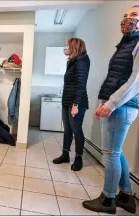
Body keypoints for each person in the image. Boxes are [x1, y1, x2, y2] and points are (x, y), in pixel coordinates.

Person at [82, 4, 139, 214]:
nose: (127, 18)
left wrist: (111, 104)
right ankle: (125, 196)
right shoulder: (126, 44)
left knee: (110, 154)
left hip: (122, 107)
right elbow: (114, 78)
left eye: (134, 15)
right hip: (116, 105)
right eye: (125, 15)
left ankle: (108, 200)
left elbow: (137, 80)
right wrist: (103, 103)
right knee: (115, 153)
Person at [52, 38, 90, 171]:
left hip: (76, 102)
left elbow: (81, 85)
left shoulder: (82, 61)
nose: (65, 48)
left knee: (76, 129)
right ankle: (65, 154)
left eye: (67, 45)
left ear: (74, 47)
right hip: (67, 101)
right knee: (67, 129)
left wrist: (76, 105)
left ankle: (78, 158)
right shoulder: (72, 61)